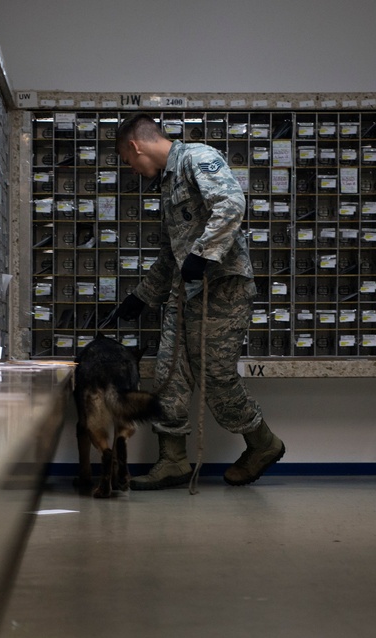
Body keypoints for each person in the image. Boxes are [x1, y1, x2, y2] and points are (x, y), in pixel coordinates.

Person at [109, 112, 285, 489]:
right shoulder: (166, 184)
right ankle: (172, 460)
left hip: (222, 289)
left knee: (216, 378)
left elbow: (231, 202)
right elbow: (170, 255)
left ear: (135, 146)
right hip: (182, 294)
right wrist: (141, 297)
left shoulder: (196, 158)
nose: (134, 171)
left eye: (128, 162)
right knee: (169, 376)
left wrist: (204, 254)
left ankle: (263, 444)